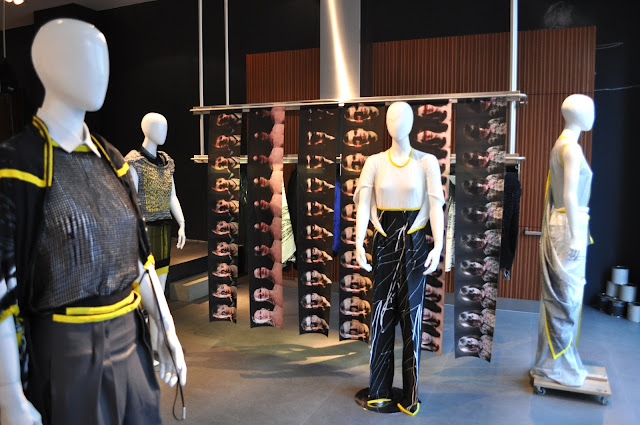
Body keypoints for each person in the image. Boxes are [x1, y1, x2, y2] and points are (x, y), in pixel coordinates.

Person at [0, 19, 185, 425]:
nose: (101, 70)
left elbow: (137, 256)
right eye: (87, 57)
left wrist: (164, 324)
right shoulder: (18, 166)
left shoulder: (113, 161)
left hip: (131, 340)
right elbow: (2, 287)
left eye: (104, 58)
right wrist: (8, 392)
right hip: (66, 350)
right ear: (48, 65)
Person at [353, 101, 444, 415]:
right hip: (383, 242)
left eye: (402, 116)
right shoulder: (374, 162)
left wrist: (438, 246)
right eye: (391, 116)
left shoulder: (426, 162)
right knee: (381, 317)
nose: (396, 121)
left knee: (412, 319)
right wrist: (358, 243)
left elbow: (436, 205)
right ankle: (379, 389)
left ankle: (410, 394)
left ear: (412, 122)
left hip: (415, 243)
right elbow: (363, 204)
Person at [531, 94, 595, 387]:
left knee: (562, 296)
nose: (593, 114)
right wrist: (576, 237)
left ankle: (554, 362)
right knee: (567, 297)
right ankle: (559, 367)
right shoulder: (571, 148)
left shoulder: (561, 144)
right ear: (578, 114)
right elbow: (568, 194)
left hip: (565, 223)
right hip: (569, 225)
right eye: (589, 109)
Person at [125, 113, 187, 356]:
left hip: (163, 232)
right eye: (159, 127)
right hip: (143, 232)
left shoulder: (167, 163)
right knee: (144, 296)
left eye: (165, 127)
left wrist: (181, 222)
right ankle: (140, 347)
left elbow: (172, 196)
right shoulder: (135, 162)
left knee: (159, 296)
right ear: (146, 129)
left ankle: (155, 347)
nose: (164, 131)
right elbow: (130, 200)